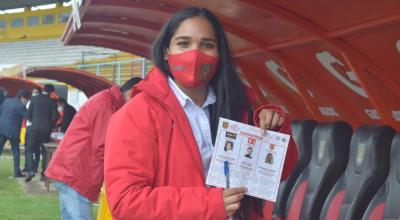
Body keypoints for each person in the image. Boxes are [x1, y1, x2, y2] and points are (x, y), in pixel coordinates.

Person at [104, 7, 298, 220]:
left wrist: (274, 133)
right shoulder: (137, 113)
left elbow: (277, 174)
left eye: (207, 45)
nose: (195, 54)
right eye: (183, 43)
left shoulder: (239, 106)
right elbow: (125, 201)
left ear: (219, 54)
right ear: (166, 51)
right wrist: (210, 204)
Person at [45, 77, 142, 220]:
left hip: (70, 171)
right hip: (75, 174)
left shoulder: (108, 101)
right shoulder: (106, 104)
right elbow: (104, 146)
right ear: (131, 94)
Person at [25, 84, 58, 182]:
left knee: (29, 149)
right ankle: (44, 174)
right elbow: (54, 117)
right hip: (45, 130)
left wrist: (34, 122)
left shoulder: (34, 99)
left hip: (34, 128)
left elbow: (28, 114)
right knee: (45, 152)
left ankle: (30, 170)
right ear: (52, 91)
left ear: (43, 90)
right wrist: (50, 126)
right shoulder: (52, 101)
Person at [0, 90, 30, 177]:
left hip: (2, 129)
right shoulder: (21, 106)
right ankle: (17, 172)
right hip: (13, 132)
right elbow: (28, 117)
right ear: (24, 98)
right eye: (27, 100)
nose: (27, 102)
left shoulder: (7, 101)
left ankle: (17, 172)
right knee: (16, 152)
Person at [23, 87, 41, 173]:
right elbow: (26, 114)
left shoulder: (40, 103)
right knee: (27, 147)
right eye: (33, 92)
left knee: (36, 148)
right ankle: (27, 166)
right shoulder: (29, 102)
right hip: (28, 127)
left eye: (36, 92)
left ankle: (35, 167)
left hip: (35, 128)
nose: (34, 94)